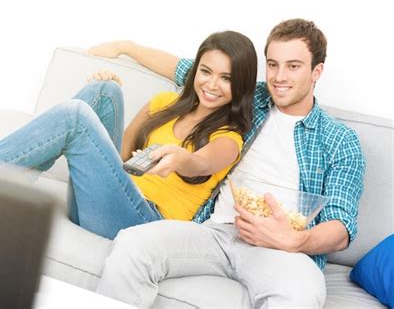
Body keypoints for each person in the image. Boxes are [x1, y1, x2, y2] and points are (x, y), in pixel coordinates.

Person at [87, 18, 366, 307]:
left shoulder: (339, 140)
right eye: (273, 64)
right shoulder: (248, 97)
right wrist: (125, 47)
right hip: (213, 232)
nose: (279, 77)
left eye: (293, 66)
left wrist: (294, 241)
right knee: (132, 245)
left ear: (316, 71)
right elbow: (189, 69)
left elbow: (341, 227)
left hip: (284, 251)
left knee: (299, 297)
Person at [0, 31, 258, 240]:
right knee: (105, 91)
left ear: (240, 85)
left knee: (75, 115)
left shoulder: (228, 138)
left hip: (144, 221)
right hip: (112, 198)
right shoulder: (164, 104)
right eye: (206, 72)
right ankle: (0, 180)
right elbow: (119, 156)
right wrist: (123, 51)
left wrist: (181, 158)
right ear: (195, 71)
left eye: (226, 78)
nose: (211, 84)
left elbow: (202, 163)